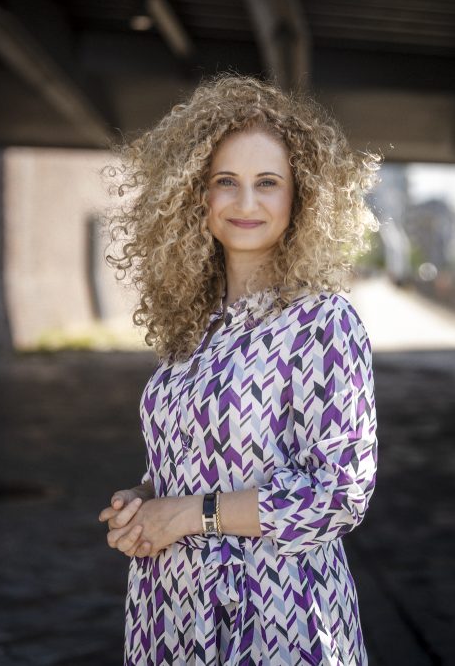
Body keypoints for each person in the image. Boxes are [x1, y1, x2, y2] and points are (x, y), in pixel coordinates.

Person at [97, 72, 380, 665]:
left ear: (300, 199)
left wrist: (188, 515)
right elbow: (194, 460)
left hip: (275, 620)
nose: (246, 203)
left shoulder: (323, 322)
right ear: (197, 195)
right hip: (169, 614)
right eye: (227, 181)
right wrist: (144, 498)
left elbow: (338, 495)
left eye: (268, 183)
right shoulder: (194, 326)